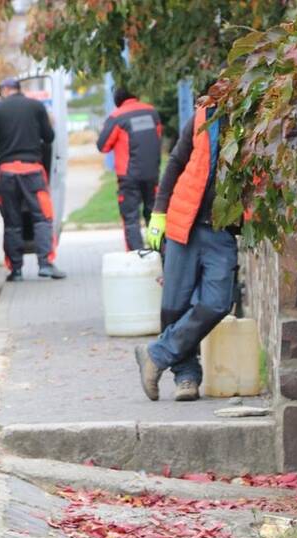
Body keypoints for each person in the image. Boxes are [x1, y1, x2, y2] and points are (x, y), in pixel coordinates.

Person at [135, 85, 236, 402]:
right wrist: (159, 212)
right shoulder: (203, 117)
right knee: (174, 306)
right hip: (184, 221)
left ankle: (156, 354)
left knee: (218, 302)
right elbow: (176, 162)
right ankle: (186, 377)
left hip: (222, 229)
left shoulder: (259, 130)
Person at [0, 77, 67, 281]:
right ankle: (45, 264)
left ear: (5, 90)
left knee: (12, 223)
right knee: (42, 218)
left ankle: (15, 270)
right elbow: (49, 137)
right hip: (33, 171)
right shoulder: (36, 106)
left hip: (7, 173)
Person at [96, 87, 163, 251]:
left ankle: (137, 256)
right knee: (154, 216)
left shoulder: (117, 117)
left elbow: (103, 146)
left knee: (131, 218)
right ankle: (161, 256)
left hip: (129, 177)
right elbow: (158, 136)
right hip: (152, 174)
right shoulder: (152, 112)